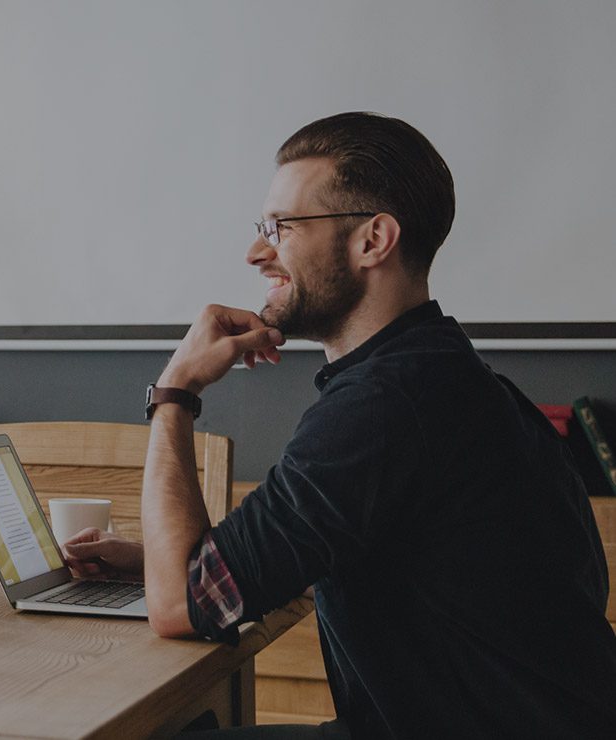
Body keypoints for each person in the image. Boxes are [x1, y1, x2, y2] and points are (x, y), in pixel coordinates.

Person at [64, 112, 616, 738]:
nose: (256, 251)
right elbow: (338, 553)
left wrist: (175, 392)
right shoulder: (448, 379)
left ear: (373, 240)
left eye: (282, 227)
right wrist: (155, 560)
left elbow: (177, 608)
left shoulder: (383, 406)